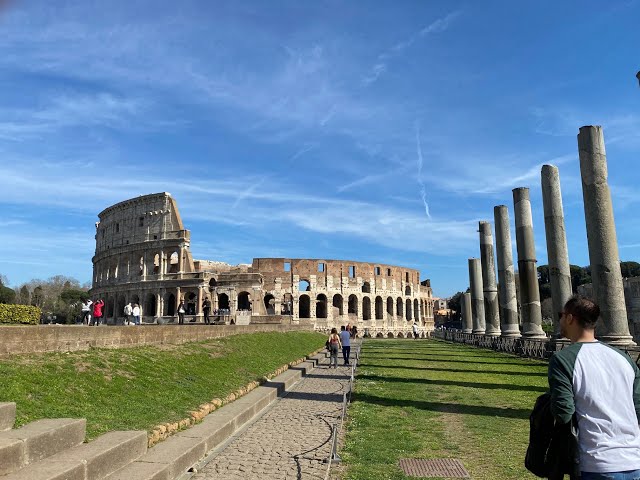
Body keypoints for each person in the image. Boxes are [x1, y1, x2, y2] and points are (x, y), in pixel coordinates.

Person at [548, 295, 640, 479]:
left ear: (570, 318)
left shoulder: (563, 359)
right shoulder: (623, 357)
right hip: (634, 460)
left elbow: (563, 412)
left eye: (561, 314)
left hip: (595, 462)